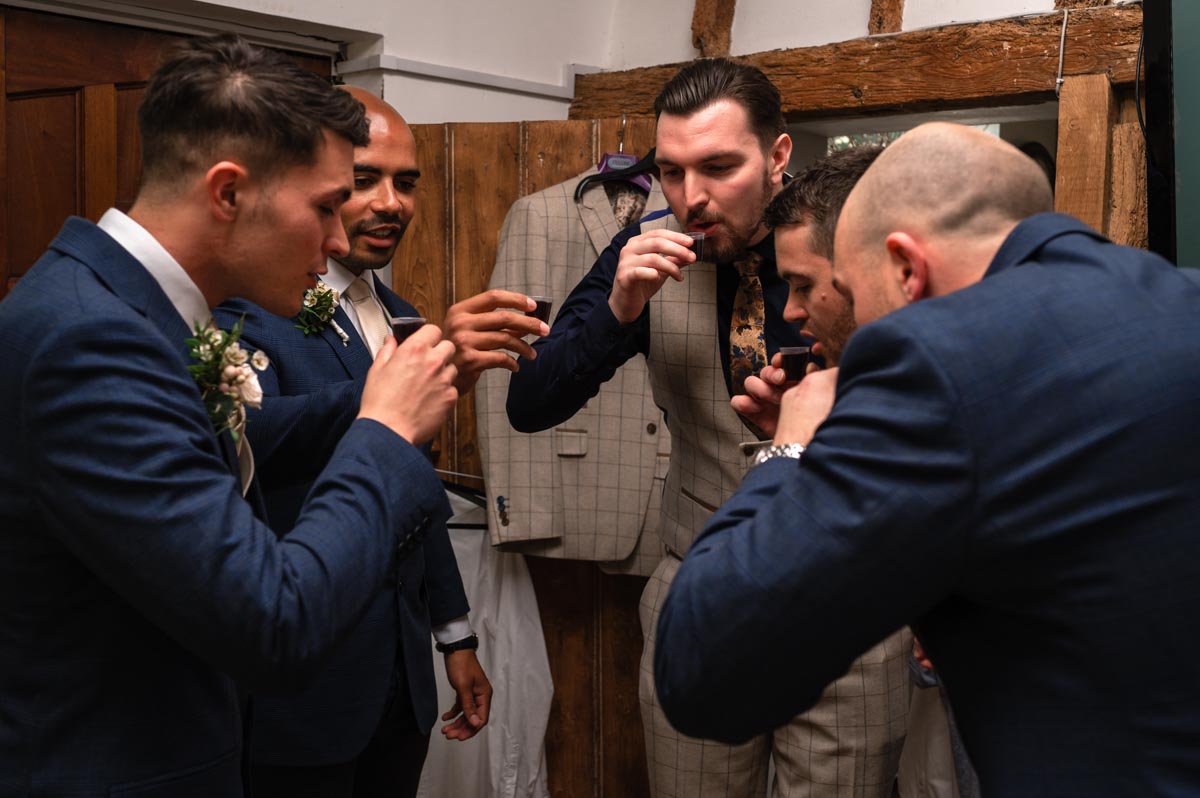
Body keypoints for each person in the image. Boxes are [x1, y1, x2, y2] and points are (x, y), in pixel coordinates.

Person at [654, 121, 1200, 794]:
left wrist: (793, 452)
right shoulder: (1178, 299)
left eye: (852, 289)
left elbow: (702, 671)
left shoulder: (936, 367)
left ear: (907, 267)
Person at [0, 35, 460, 797]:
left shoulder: (129, 311)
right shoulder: (92, 341)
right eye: (323, 207)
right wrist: (382, 434)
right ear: (227, 192)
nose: (340, 239)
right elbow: (272, 623)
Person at [508, 58, 909, 797]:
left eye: (720, 167)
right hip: (701, 595)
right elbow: (530, 404)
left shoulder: (859, 246)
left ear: (778, 155)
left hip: (852, 601)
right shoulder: (644, 246)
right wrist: (617, 309)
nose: (692, 198)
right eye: (671, 171)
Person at [215, 87, 539, 798]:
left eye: (407, 182)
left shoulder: (398, 313)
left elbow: (407, 478)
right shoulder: (253, 299)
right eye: (364, 181)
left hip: (398, 676)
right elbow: (250, 439)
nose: (391, 203)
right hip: (303, 680)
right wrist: (402, 382)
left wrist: (454, 634)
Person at [738, 145, 977, 798]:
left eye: (809, 284)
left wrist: (784, 459)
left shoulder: (978, 379)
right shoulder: (885, 386)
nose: (789, 310)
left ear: (891, 265)